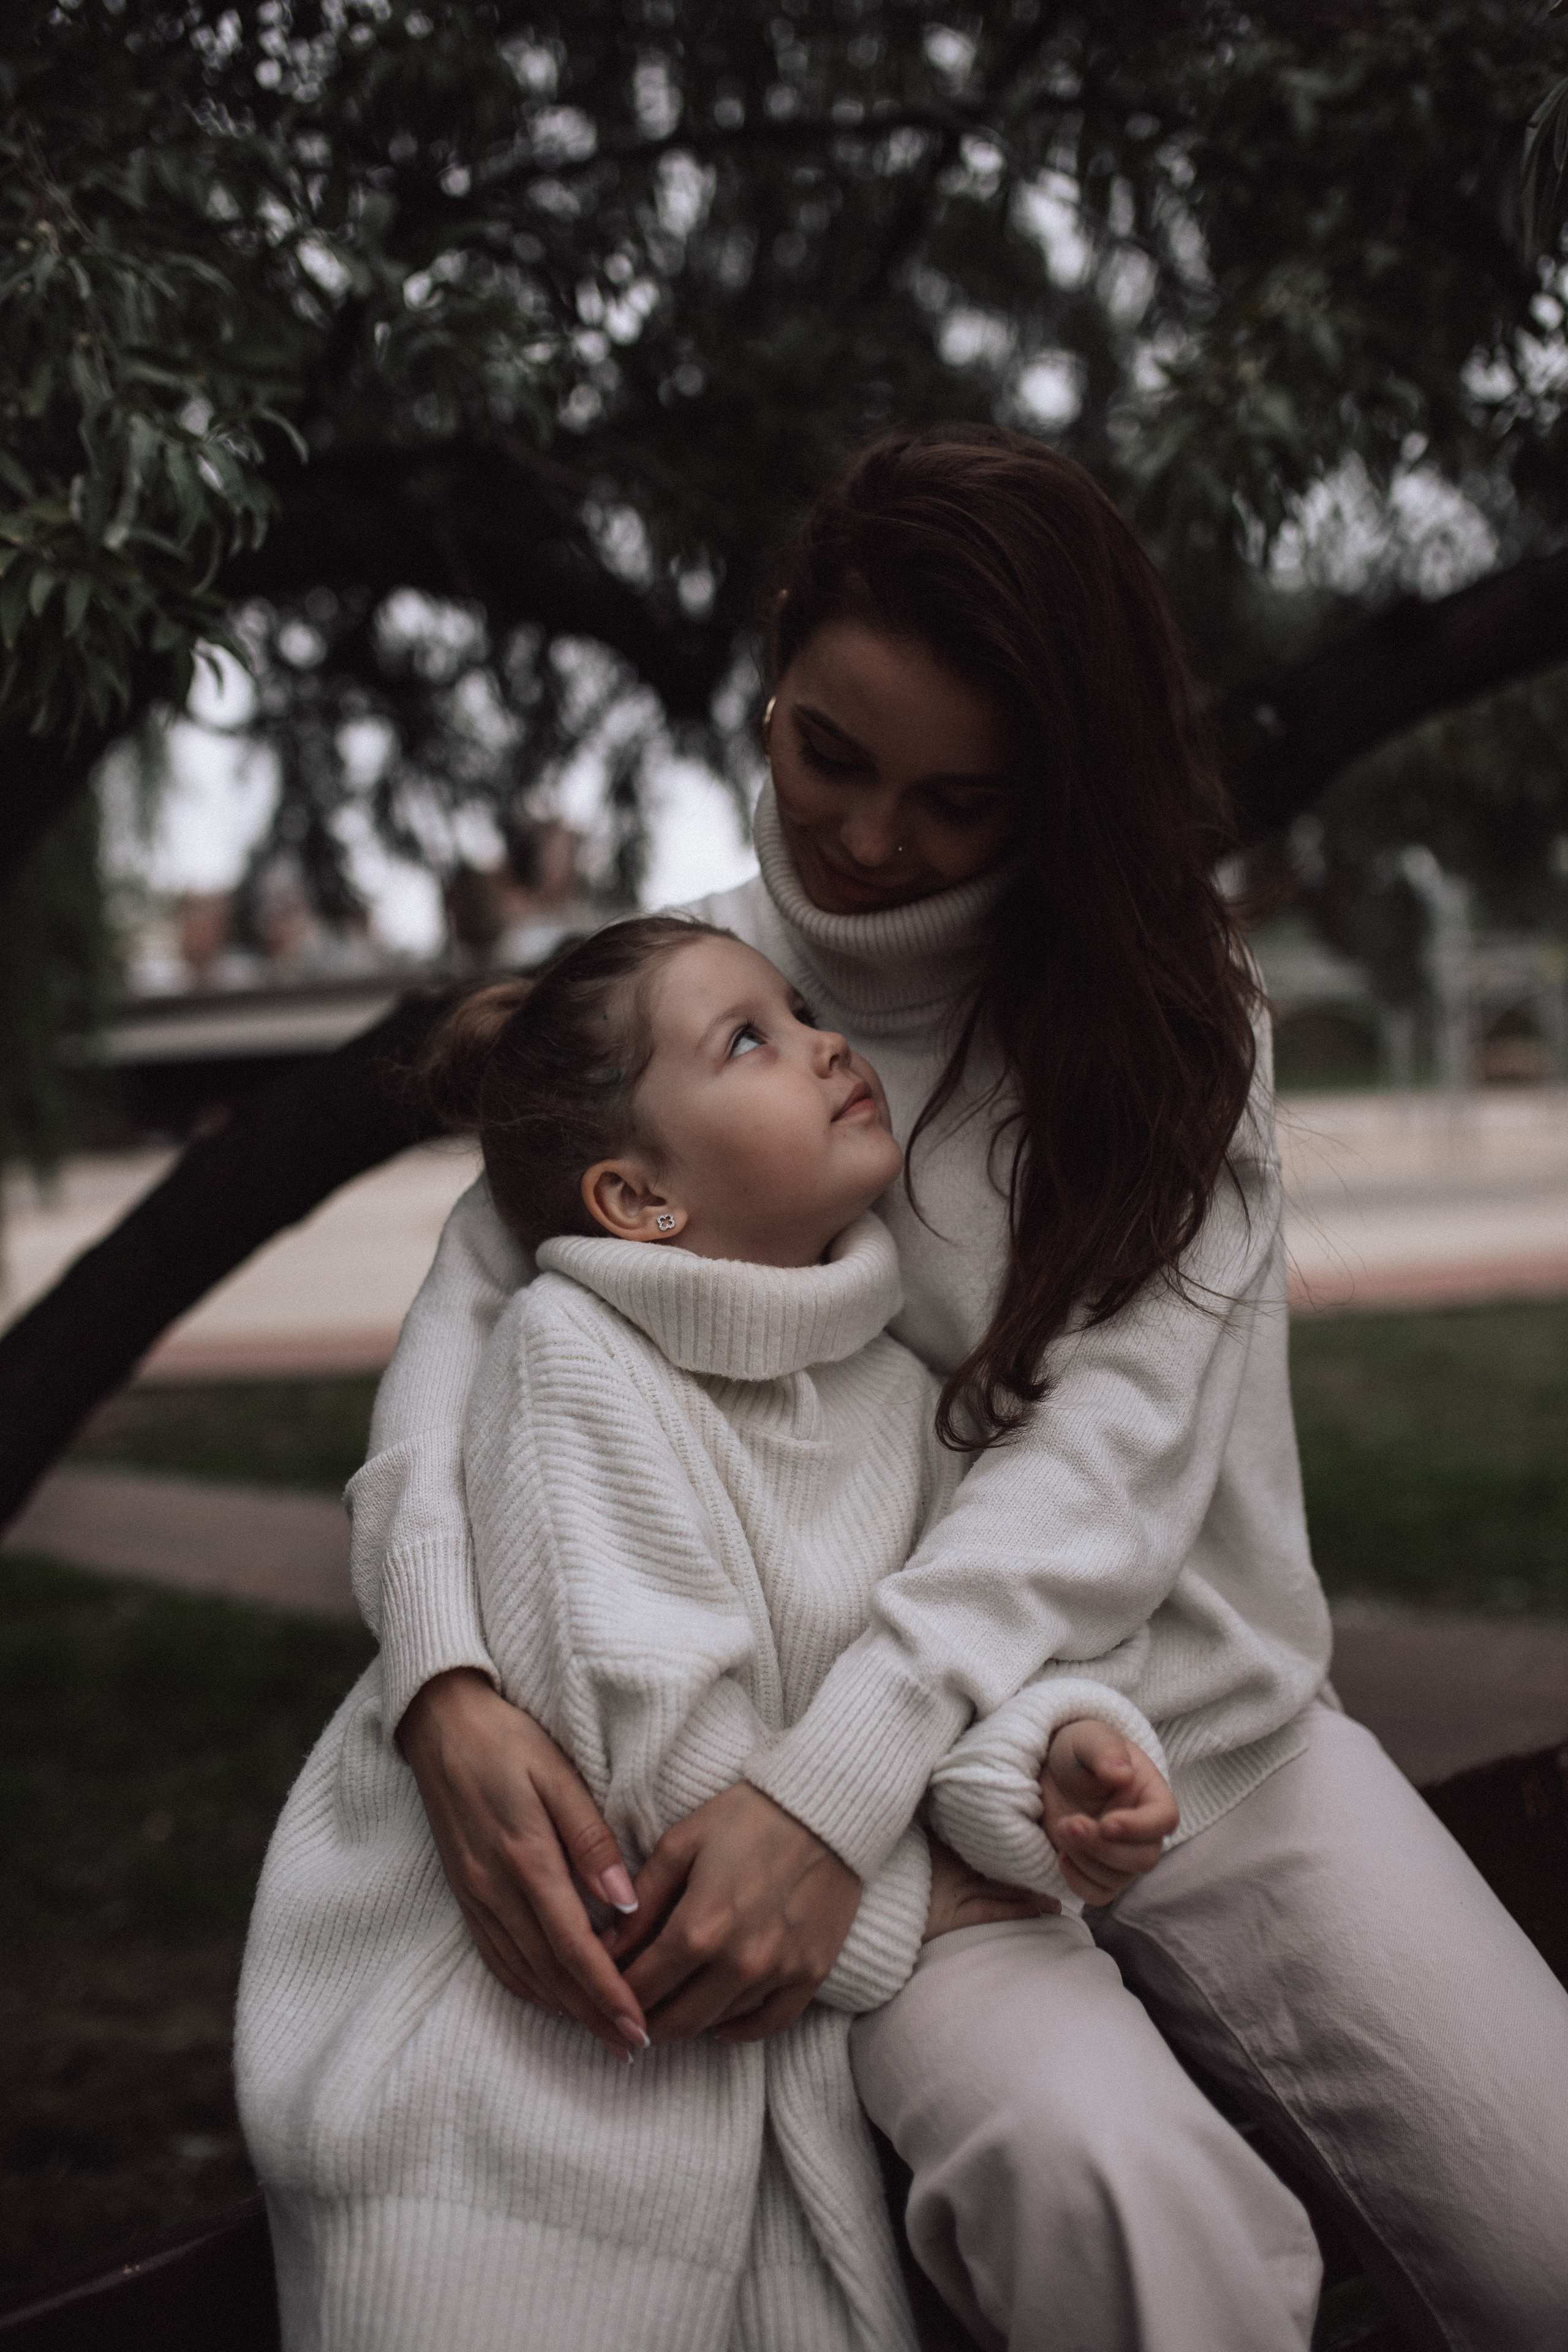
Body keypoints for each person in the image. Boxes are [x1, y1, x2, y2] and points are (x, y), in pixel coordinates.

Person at [337, 428, 1568, 2351]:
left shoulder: (1171, 1012)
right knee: (1121, 2205)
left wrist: (838, 1786)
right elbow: (467, 1325)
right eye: (828, 752)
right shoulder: (683, 990)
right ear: (775, 674)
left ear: (1059, 791)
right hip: (882, 1822)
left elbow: (1116, 1458)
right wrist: (445, 1682)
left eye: (958, 800)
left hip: (1204, 1750)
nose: (869, 840)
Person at [236, 913, 1183, 2352]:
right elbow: (652, 1807)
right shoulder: (571, 1365)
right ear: (637, 1199)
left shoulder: (887, 1393)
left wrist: (1045, 1777)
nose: (820, 1044)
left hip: (725, 2056)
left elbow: (928, 1702)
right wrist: (931, 1907)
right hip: (502, 2093)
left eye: (799, 1012)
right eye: (748, 1038)